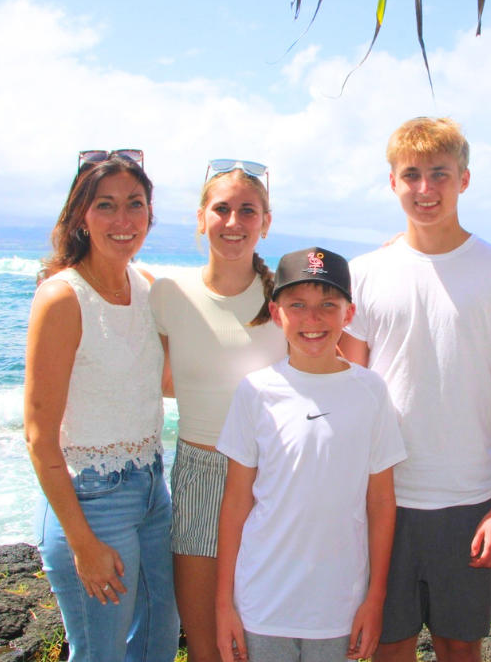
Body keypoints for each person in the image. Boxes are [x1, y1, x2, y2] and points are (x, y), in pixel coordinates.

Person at [338, 117, 491, 662]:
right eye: (412, 175)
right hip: (382, 497)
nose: (425, 189)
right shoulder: (365, 272)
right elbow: (347, 391)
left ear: (464, 180)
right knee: (388, 645)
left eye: (440, 175)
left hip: (469, 499)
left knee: (459, 646)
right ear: (392, 182)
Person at [215, 247, 406, 662]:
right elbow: (235, 503)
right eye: (297, 304)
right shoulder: (256, 391)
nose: (313, 318)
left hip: (338, 606)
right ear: (276, 312)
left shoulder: (371, 391)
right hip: (262, 603)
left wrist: (375, 597)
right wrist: (224, 603)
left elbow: (381, 501)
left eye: (328, 305)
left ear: (348, 314)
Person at [24, 150, 179, 662]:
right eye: (105, 205)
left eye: (134, 204)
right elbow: (39, 436)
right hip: (91, 498)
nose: (122, 220)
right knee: (101, 654)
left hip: (153, 488)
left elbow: (168, 381)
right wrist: (81, 542)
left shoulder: (148, 286)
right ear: (81, 216)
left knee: (158, 641)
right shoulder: (62, 298)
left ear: (150, 215)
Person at [148, 159, 287, 661]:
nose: (233, 222)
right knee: (207, 644)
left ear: (265, 222)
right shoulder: (166, 294)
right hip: (201, 474)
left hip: (275, 479)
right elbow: (149, 374)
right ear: (201, 217)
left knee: (266, 640)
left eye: (247, 211)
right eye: (221, 209)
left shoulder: (287, 300)